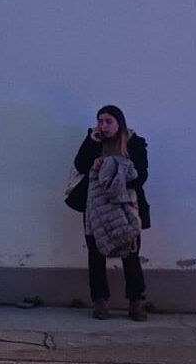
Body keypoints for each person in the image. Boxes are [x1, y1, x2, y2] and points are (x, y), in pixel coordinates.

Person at [73, 105, 150, 321]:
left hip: (126, 208)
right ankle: (100, 302)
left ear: (119, 123)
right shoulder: (94, 141)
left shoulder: (134, 143)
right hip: (96, 209)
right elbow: (80, 165)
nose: (103, 126)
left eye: (108, 121)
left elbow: (141, 175)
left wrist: (115, 169)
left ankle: (136, 303)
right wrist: (92, 143)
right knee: (96, 255)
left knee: (131, 255)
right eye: (100, 121)